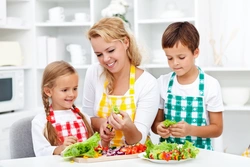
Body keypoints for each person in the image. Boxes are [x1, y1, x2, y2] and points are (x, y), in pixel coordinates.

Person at [82, 17, 159, 147]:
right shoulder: (94, 72)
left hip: (135, 157)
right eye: (99, 54)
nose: (106, 59)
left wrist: (128, 128)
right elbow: (85, 119)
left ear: (125, 42)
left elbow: (139, 140)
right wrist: (101, 123)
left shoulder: (147, 83)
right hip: (100, 156)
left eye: (111, 50)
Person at [151, 21, 224, 150]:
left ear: (195, 53)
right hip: (169, 155)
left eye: (181, 57)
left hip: (201, 156)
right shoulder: (162, 83)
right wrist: (158, 128)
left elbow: (217, 129)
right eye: (169, 58)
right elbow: (156, 124)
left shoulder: (210, 84)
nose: (175, 63)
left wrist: (190, 130)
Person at [32, 61, 93, 156]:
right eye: (65, 90)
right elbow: (41, 153)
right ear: (48, 91)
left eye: (75, 88)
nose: (71, 94)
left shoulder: (84, 117)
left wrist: (105, 141)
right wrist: (61, 148)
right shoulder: (40, 122)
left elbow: (93, 148)